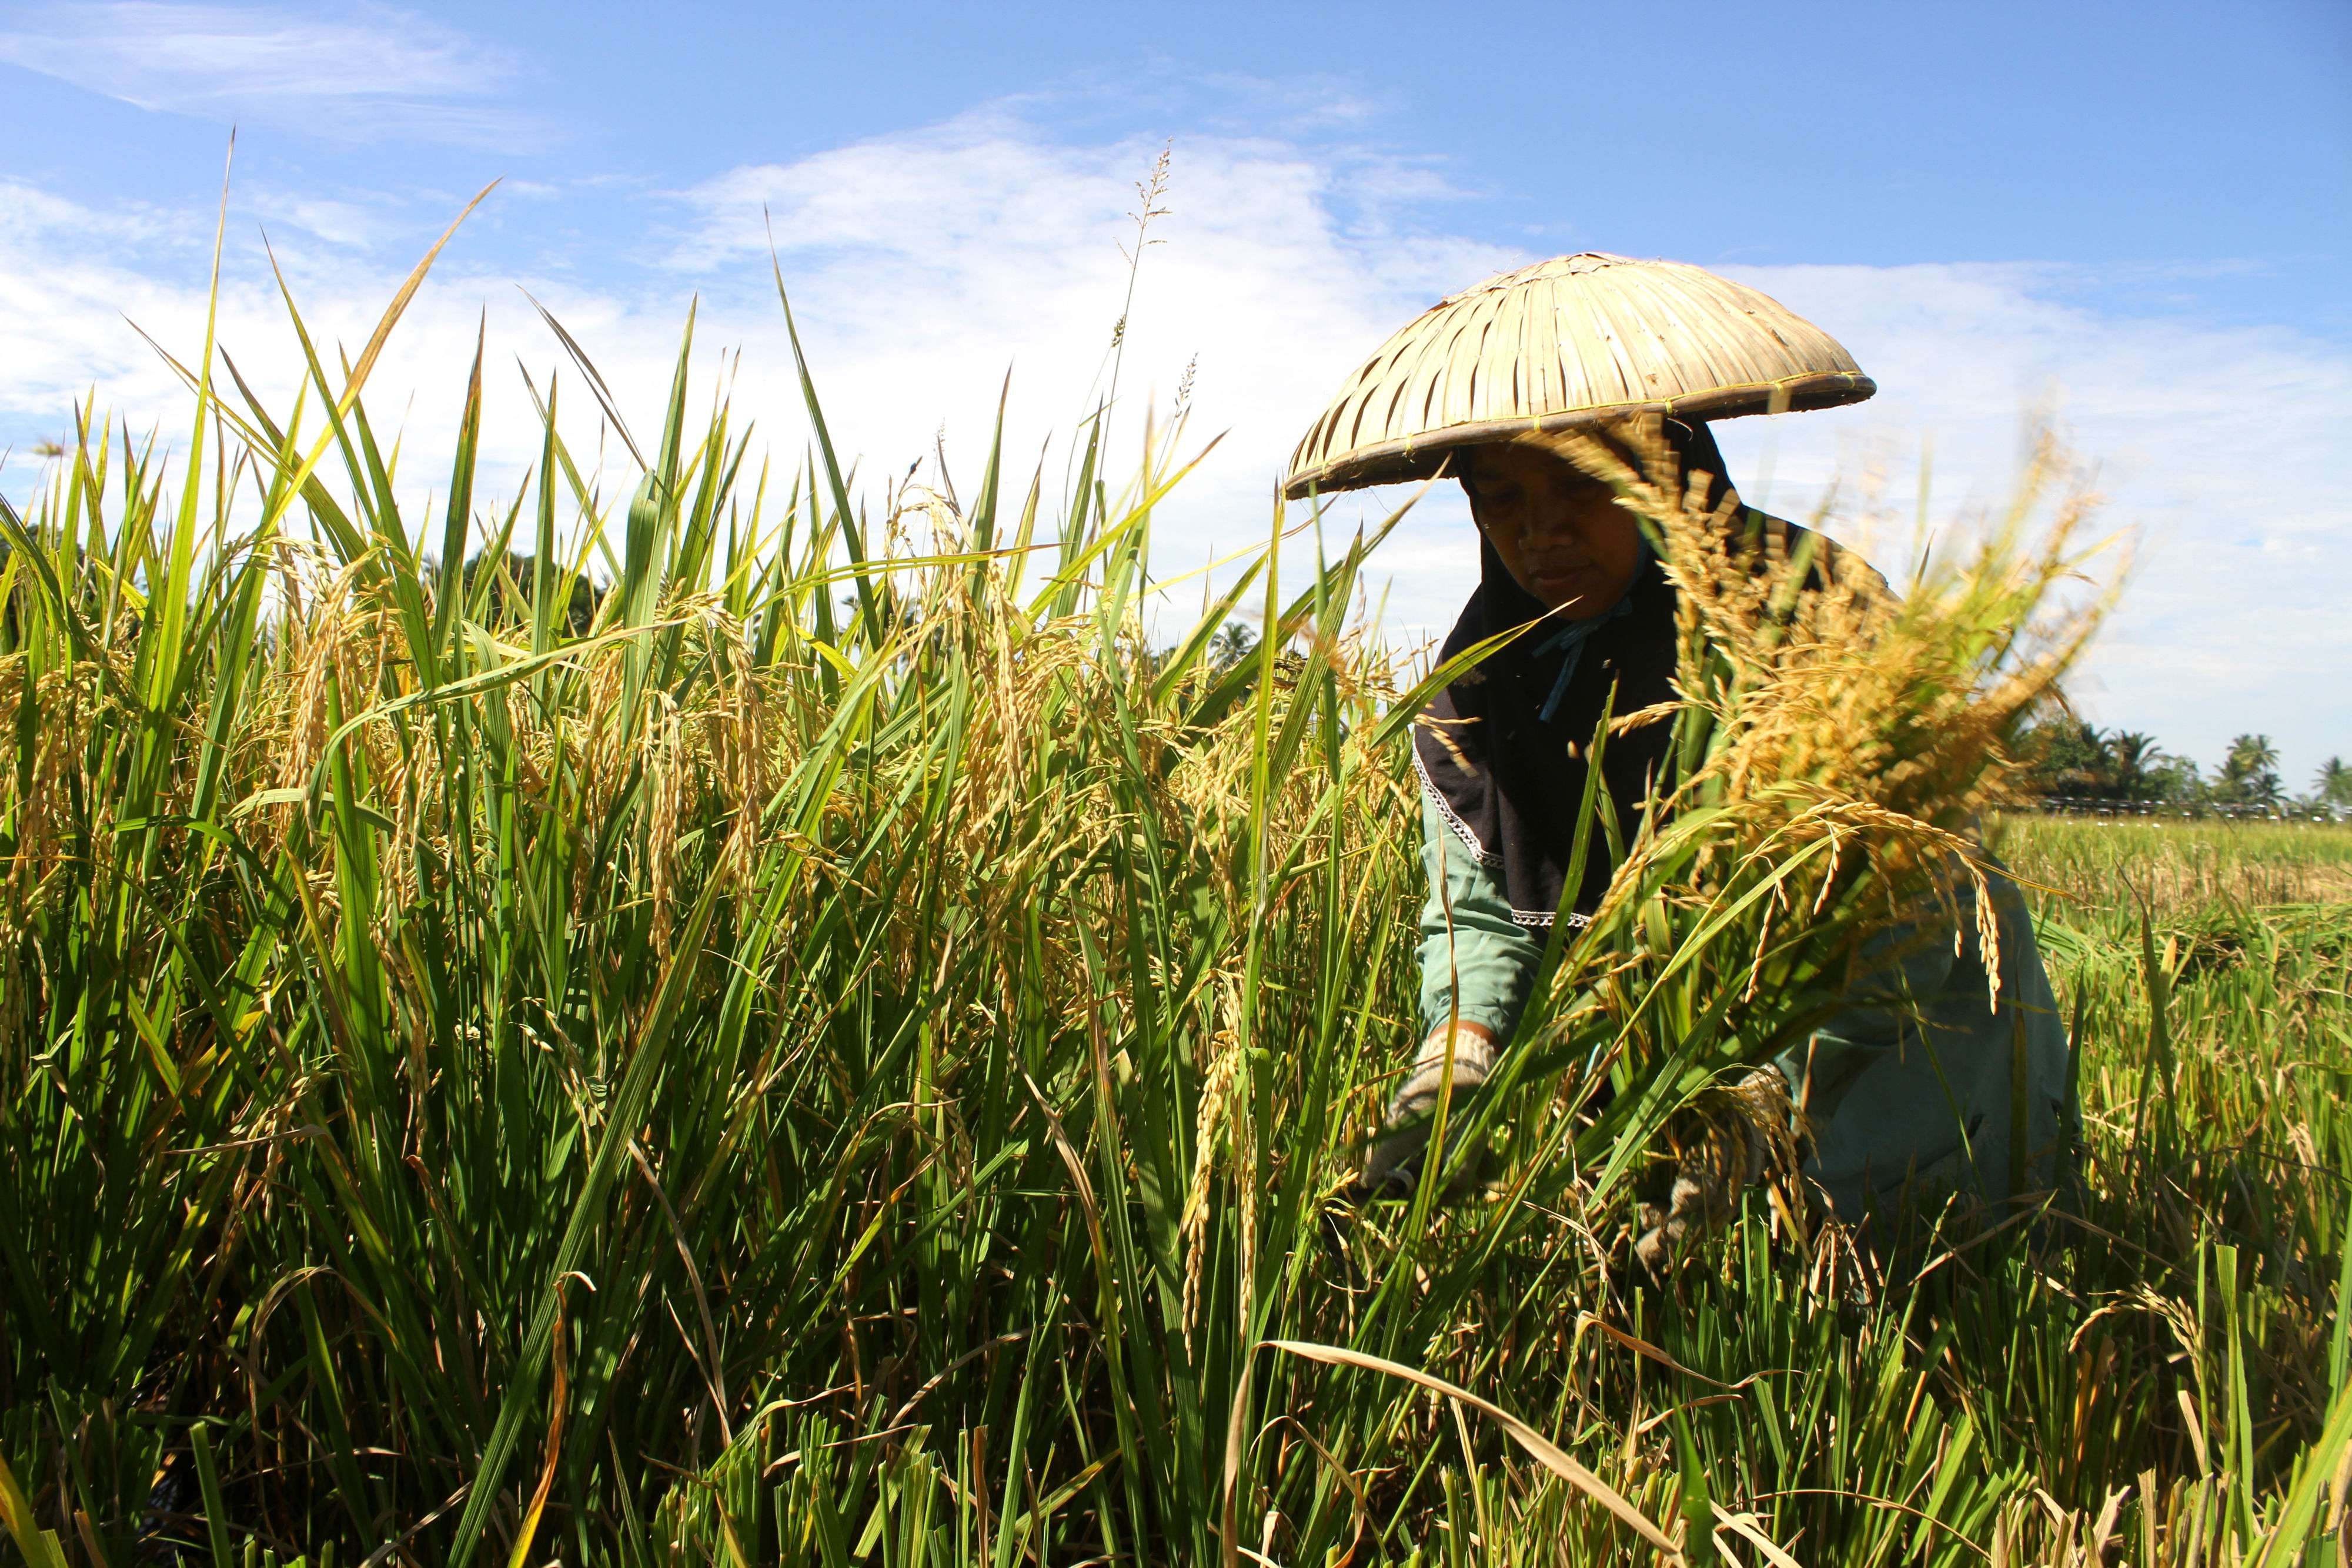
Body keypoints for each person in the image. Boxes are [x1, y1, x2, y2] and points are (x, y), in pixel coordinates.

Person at [1279, 253, 2077, 1258]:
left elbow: (1900, 912)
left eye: (1578, 480)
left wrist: (1759, 1115)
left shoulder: (1812, 614)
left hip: (1903, 1076)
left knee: (1908, 1308)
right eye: (1500, 498)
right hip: (1678, 1093)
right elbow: (1477, 910)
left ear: (1670, 466)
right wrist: (1457, 1057)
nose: (1539, 532)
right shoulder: (1481, 684)